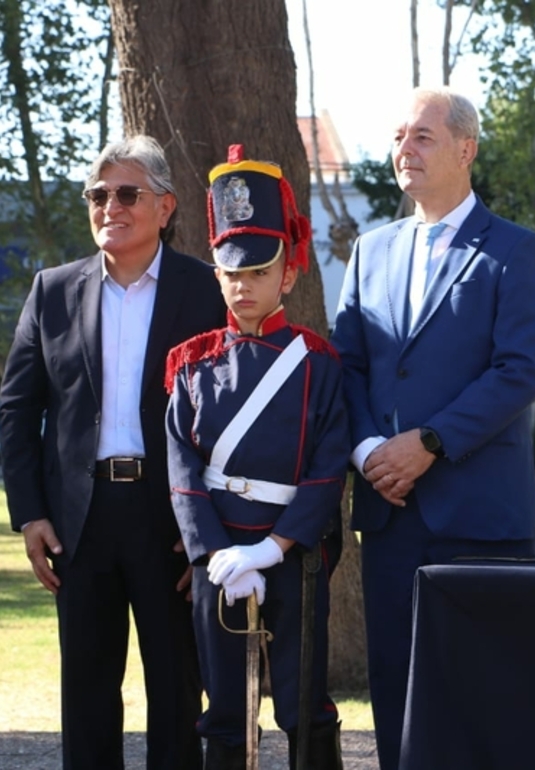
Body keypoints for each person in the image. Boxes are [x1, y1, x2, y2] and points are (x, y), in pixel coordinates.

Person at [330, 86, 535, 770]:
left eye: (422, 136)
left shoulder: (516, 251)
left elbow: (519, 370)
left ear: (467, 149)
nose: (405, 149)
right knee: (400, 700)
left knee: (490, 700)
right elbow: (347, 366)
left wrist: (428, 443)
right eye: (398, 136)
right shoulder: (371, 251)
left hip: (484, 517)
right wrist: (371, 449)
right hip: (392, 514)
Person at [0, 135, 226, 770]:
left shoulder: (208, 292)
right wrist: (31, 514)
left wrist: (208, 528)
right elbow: (17, 410)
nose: (110, 206)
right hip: (80, 522)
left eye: (128, 193)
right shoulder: (51, 291)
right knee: (88, 696)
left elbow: (232, 412)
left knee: (179, 693)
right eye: (98, 195)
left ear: (166, 206)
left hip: (172, 521)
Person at [165, 146, 348, 770]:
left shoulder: (319, 363)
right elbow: (183, 468)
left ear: (287, 276)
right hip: (219, 557)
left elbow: (328, 466)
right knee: (224, 709)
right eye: (231, 273)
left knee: (303, 703)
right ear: (217, 274)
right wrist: (215, 553)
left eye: (259, 273)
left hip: (293, 555)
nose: (243, 286)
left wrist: (275, 549)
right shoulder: (191, 364)